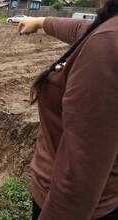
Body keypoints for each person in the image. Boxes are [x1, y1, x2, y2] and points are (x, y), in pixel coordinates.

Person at [17, 0, 118, 219]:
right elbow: (84, 30)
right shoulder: (108, 33)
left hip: (67, 205)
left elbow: (78, 179)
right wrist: (40, 21)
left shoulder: (107, 45)